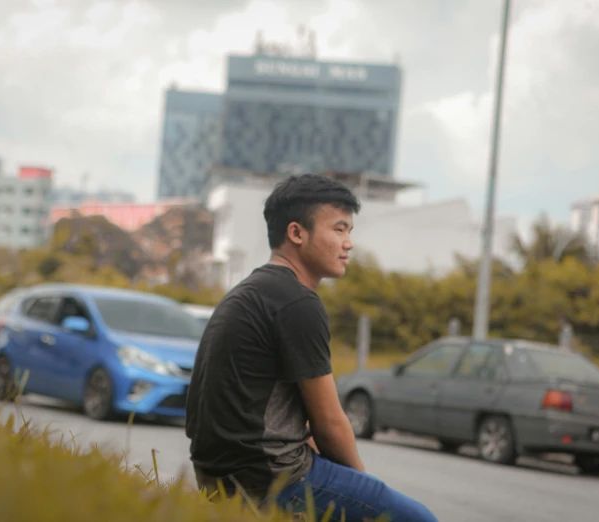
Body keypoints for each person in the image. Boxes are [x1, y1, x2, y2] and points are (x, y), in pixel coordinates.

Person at [185, 173, 439, 521]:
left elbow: (296, 421)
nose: (348, 243)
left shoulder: (250, 292)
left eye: (350, 231)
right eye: (339, 229)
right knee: (417, 518)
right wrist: (364, 489)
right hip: (270, 481)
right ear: (296, 233)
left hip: (221, 477)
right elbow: (330, 423)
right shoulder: (296, 303)